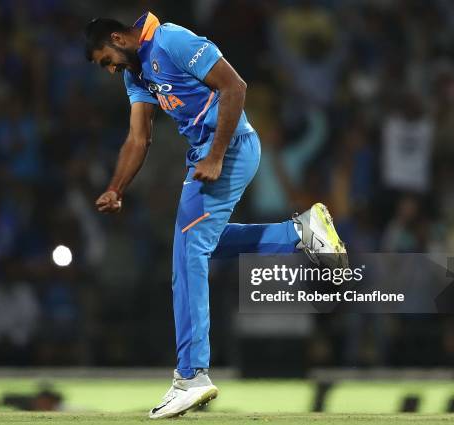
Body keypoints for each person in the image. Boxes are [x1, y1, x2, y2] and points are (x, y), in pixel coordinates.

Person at [84, 12, 347, 418]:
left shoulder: (172, 41)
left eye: (106, 60)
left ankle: (192, 376)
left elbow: (235, 86)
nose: (109, 69)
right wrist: (117, 187)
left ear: (118, 38)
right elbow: (139, 137)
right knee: (200, 243)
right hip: (208, 154)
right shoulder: (135, 74)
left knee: (189, 253)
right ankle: (303, 232)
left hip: (231, 148)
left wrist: (217, 155)